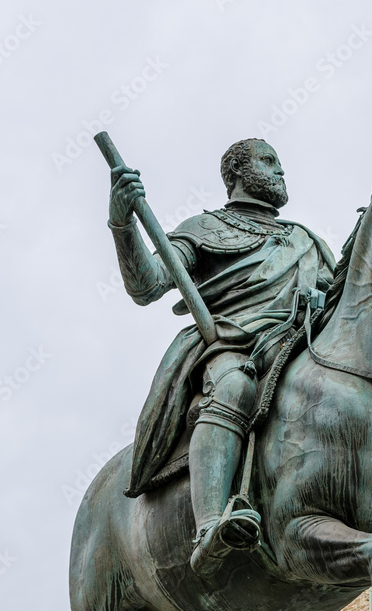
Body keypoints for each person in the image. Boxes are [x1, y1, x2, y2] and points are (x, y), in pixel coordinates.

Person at [107, 138, 335, 576]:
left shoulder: (305, 239)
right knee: (233, 386)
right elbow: (148, 284)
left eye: (280, 163)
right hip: (238, 344)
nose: (281, 171)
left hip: (302, 341)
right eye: (269, 162)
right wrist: (123, 226)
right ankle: (209, 525)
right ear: (235, 175)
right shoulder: (206, 228)